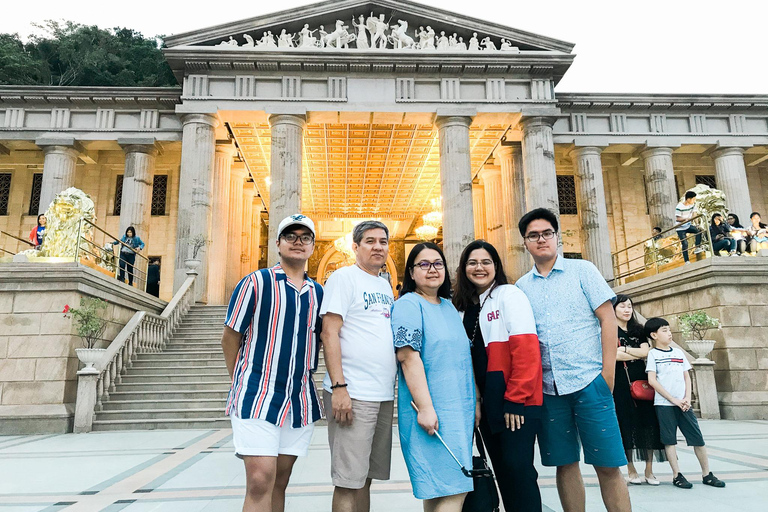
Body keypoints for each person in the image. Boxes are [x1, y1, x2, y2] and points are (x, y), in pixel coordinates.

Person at [514, 208, 631, 512]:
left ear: (557, 237)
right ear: (525, 243)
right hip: (549, 389)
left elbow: (608, 319)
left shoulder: (583, 271)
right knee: (564, 465)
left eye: (547, 233)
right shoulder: (520, 288)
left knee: (607, 465)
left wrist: (608, 374)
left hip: (589, 382)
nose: (541, 240)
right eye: (533, 236)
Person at [220, 213, 324, 512]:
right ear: (277, 243)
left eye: (305, 237)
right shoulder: (255, 283)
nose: (298, 242)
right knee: (260, 479)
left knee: (280, 479)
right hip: (256, 395)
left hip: (298, 398)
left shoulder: (318, 293)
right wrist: (240, 380)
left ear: (312, 247)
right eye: (290, 236)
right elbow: (230, 337)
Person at [454, 240, 543, 512]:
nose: (479, 267)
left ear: (496, 266)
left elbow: (527, 350)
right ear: (463, 268)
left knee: (519, 472)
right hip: (488, 403)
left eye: (486, 262)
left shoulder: (509, 295)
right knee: (503, 473)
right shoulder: (463, 306)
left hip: (515, 402)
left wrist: (515, 399)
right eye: (472, 262)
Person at [320, 220, 396, 512]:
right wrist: (339, 388)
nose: (378, 247)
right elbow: (329, 332)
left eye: (383, 241)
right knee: (347, 480)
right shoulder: (343, 277)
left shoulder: (383, 284)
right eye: (370, 241)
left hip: (382, 394)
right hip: (353, 393)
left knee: (365, 477)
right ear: (355, 247)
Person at [392, 242, 475, 511]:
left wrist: (476, 403)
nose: (432, 270)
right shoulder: (408, 305)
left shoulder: (449, 307)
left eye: (437, 263)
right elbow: (408, 357)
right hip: (431, 410)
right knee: (456, 487)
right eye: (423, 264)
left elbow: (463, 358)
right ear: (411, 273)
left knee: (440, 491)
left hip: (458, 411)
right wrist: (426, 408)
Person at [644, 317, 726, 490]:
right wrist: (673, 399)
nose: (669, 333)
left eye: (669, 330)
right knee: (669, 440)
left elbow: (686, 376)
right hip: (664, 405)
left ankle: (707, 474)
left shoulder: (678, 353)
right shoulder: (653, 354)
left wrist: (687, 398)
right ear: (654, 335)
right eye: (664, 330)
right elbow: (652, 380)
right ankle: (677, 475)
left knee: (697, 439)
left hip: (684, 404)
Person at [612, 295, 666, 486]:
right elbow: (611, 355)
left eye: (629, 306)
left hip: (642, 379)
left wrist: (624, 351)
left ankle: (649, 471)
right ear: (614, 309)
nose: (627, 310)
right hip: (619, 382)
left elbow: (646, 352)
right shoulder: (609, 329)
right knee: (625, 423)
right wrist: (633, 351)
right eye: (622, 306)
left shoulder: (638, 330)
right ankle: (631, 469)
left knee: (648, 423)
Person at [675, 191, 703, 263]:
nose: (694, 201)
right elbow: (678, 218)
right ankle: (686, 260)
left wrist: (697, 224)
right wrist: (685, 219)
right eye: (693, 199)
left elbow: (694, 215)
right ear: (688, 199)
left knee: (698, 230)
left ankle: (697, 246)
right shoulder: (679, 206)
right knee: (685, 243)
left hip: (688, 225)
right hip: (680, 227)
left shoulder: (693, 205)